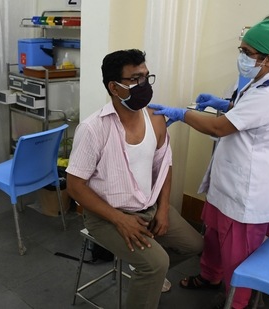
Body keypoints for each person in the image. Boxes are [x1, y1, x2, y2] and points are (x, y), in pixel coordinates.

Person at [148, 19, 269, 309]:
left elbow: (220, 129)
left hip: (247, 196)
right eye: (241, 49)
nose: (241, 56)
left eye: (247, 52)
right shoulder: (259, 81)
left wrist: (182, 114)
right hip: (228, 185)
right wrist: (222, 103)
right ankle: (210, 277)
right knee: (214, 238)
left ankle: (237, 302)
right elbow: (241, 112)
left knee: (237, 257)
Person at [66, 49, 203, 309]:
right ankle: (150, 271)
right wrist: (120, 220)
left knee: (194, 244)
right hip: (107, 215)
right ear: (114, 88)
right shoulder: (93, 129)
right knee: (157, 263)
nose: (143, 85)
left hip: (148, 206)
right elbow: (74, 186)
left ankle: (146, 273)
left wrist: (163, 210)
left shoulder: (156, 118)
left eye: (146, 77)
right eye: (135, 79)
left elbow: (165, 166)